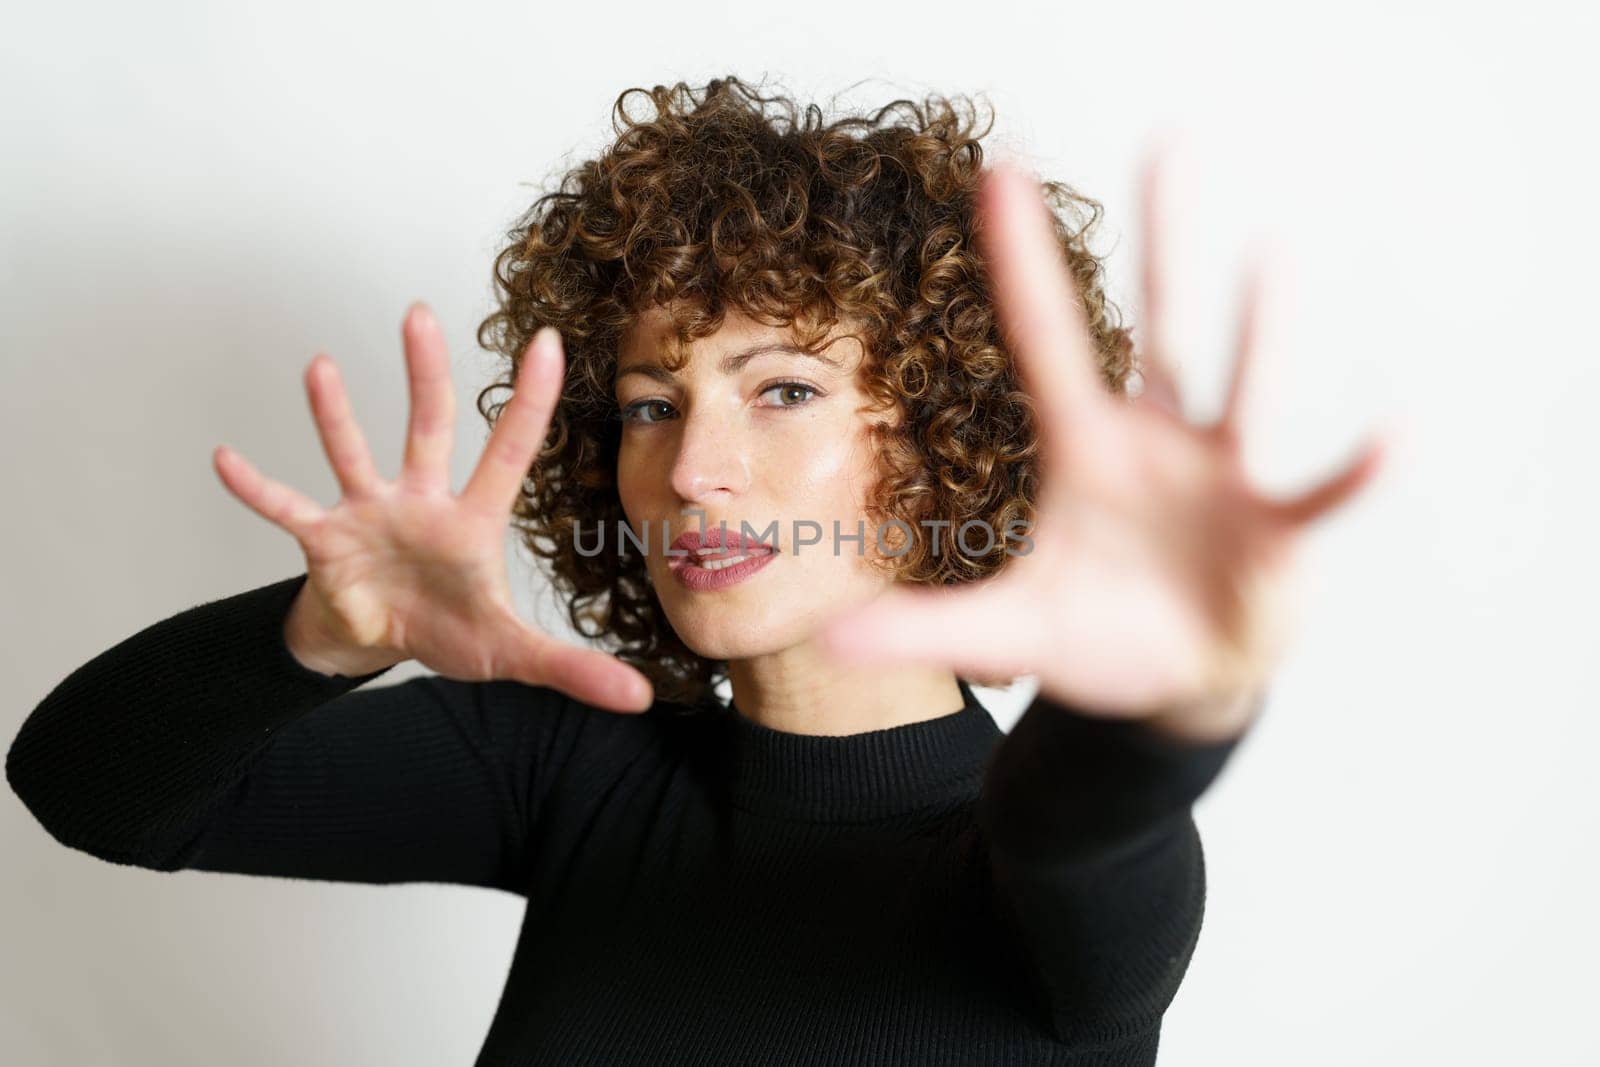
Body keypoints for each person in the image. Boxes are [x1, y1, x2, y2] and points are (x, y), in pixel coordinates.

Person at [5, 77, 1387, 1064]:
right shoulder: (569, 768)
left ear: (952, 440)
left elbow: (1093, 813)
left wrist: (1181, 701)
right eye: (654, 404)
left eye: (780, 391)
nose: (689, 468)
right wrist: (318, 631)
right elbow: (91, 790)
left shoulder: (1023, 865)